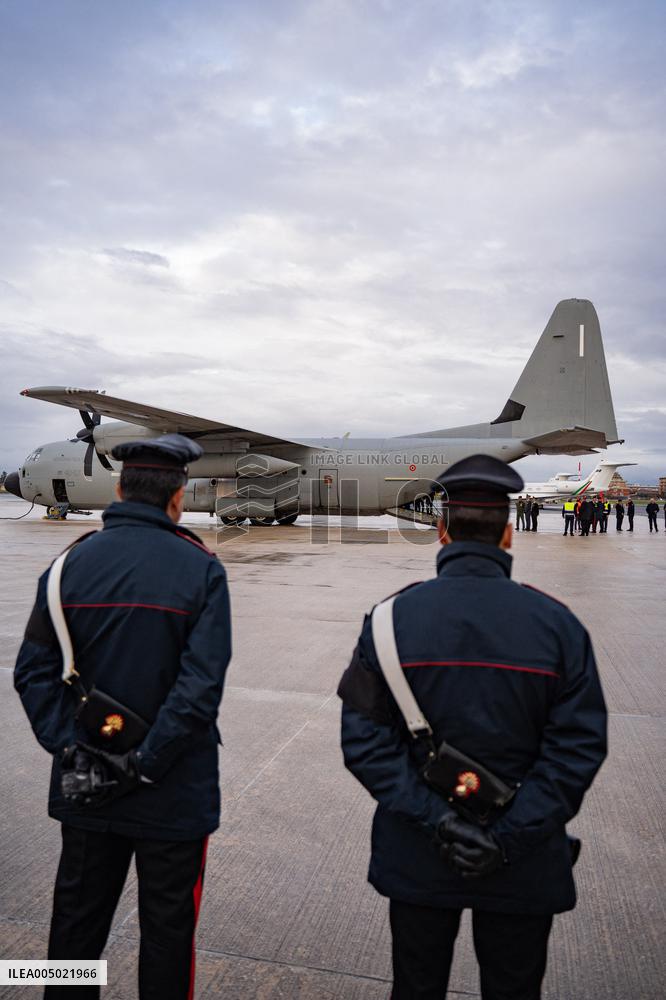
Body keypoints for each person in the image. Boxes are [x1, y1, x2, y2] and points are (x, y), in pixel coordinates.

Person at [338, 454, 607, 1000]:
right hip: (523, 861)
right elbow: (578, 750)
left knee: (416, 985)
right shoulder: (559, 626)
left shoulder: (389, 619)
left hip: (419, 853)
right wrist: (506, 838)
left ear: (441, 531)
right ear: (509, 533)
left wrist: (439, 822)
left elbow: (364, 743)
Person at [14, 434, 232, 1000]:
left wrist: (75, 749)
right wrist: (144, 763)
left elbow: (32, 674)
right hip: (173, 792)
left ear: (118, 488)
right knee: (167, 936)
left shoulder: (67, 567)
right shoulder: (201, 568)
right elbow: (200, 690)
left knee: (74, 933)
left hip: (86, 789)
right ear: (178, 495)